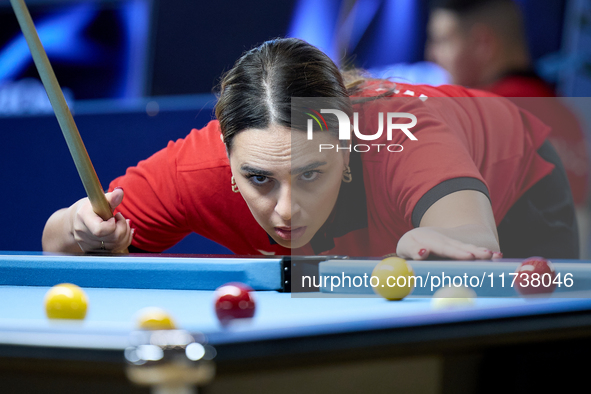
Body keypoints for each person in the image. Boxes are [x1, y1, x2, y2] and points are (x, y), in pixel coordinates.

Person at [41, 38, 579, 259]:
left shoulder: (396, 133)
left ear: (347, 146)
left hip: (519, 174)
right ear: (228, 161)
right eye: (259, 179)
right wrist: (77, 226)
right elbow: (58, 241)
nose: (287, 210)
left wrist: (429, 239)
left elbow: (473, 240)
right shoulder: (197, 168)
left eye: (310, 173)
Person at [426, 0, 589, 215]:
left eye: (443, 41)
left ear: (483, 43)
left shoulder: (476, 113)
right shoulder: (568, 118)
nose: (432, 55)